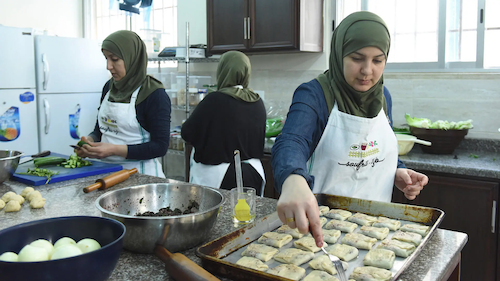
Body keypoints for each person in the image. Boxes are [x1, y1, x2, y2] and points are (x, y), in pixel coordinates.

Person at [271, 11, 429, 247]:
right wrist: (293, 179)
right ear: (339, 54)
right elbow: (291, 142)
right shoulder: (314, 95)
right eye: (357, 58)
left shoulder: (383, 97)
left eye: (377, 60)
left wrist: (397, 170)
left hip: (376, 233)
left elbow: (377, 148)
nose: (368, 70)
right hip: (320, 233)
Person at [75, 30, 171, 177]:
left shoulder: (154, 95)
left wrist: (114, 150)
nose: (108, 66)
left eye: (114, 59)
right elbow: (100, 131)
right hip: (105, 172)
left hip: (141, 176)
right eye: (106, 58)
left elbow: (160, 147)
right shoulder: (109, 87)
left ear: (132, 59)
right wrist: (89, 141)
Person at [181, 51, 267, 195]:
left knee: (219, 217)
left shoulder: (214, 100)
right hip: (253, 174)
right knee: (250, 215)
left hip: (219, 177)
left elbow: (187, 133)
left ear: (222, 71)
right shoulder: (257, 101)